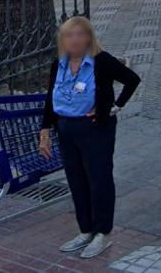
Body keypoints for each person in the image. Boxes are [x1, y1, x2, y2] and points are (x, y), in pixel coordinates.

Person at [39, 16, 141, 259]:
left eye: (79, 34)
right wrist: (45, 131)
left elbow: (132, 80)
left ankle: (102, 233)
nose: (74, 40)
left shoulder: (101, 62)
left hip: (95, 130)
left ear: (89, 38)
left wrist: (114, 107)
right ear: (62, 40)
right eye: (68, 35)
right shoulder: (58, 64)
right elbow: (50, 99)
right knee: (76, 179)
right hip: (66, 128)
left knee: (99, 180)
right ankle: (85, 230)